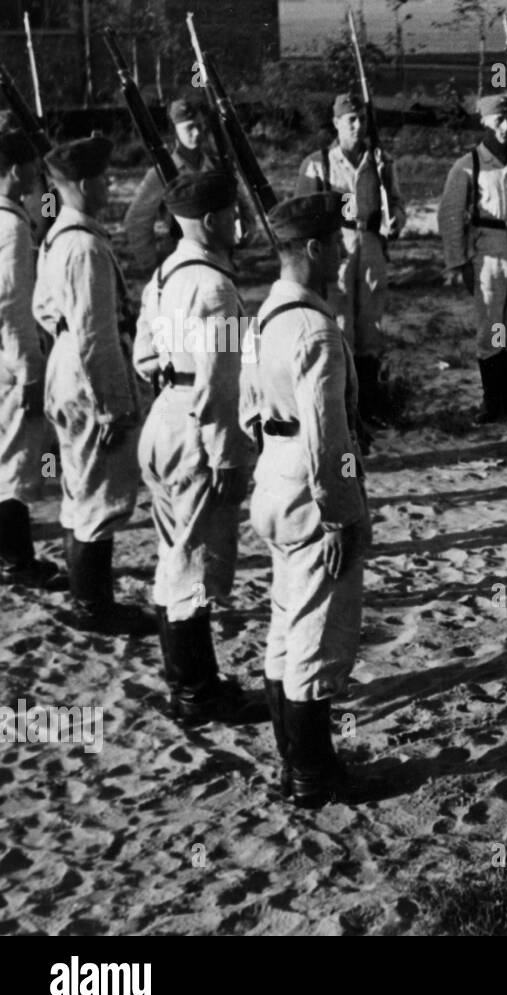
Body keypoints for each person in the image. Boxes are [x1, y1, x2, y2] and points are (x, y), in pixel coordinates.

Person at [240, 192, 371, 807]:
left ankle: (292, 761)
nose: (346, 251)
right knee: (314, 631)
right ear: (314, 249)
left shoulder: (267, 312)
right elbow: (330, 437)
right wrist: (342, 511)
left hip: (272, 472)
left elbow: (247, 407)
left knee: (285, 621)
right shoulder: (315, 327)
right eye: (338, 241)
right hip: (309, 487)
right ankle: (313, 775)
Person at [133, 171, 263, 725]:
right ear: (211, 222)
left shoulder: (164, 275)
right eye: (233, 214)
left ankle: (191, 681)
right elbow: (220, 385)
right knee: (190, 565)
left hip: (162, 415)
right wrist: (229, 455)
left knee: (173, 553)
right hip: (194, 426)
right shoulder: (215, 289)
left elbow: (143, 357)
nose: (239, 222)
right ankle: (196, 692)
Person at [34, 135, 152, 635]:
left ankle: (87, 600)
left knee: (79, 487)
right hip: (87, 378)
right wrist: (113, 407)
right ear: (84, 184)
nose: (109, 185)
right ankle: (92, 607)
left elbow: (45, 310)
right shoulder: (82, 245)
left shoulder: (60, 233)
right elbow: (96, 336)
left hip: (66, 366)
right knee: (98, 494)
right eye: (103, 178)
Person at [297, 93, 406, 431]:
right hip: (339, 246)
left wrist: (396, 220)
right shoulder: (318, 164)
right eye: (350, 120)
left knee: (371, 324)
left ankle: (370, 404)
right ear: (336, 123)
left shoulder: (381, 161)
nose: (357, 126)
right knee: (340, 322)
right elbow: (305, 215)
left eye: (361, 119)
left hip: (372, 242)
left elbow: (398, 203)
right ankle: (343, 409)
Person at [438, 92, 507, 423]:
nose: (505, 126)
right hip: (489, 248)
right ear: (483, 122)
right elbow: (450, 215)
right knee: (493, 325)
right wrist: (460, 262)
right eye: (498, 120)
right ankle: (493, 398)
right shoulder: (469, 165)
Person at [0, 128, 60, 588]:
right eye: (33, 168)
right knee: (16, 458)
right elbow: (13, 307)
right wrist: (31, 372)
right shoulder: (13, 226)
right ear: (18, 170)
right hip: (9, 356)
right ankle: (16, 559)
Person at [123, 97, 254, 273]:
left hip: (222, 259)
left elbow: (245, 207)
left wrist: (245, 235)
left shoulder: (219, 166)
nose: (197, 133)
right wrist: (151, 264)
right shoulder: (161, 173)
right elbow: (137, 220)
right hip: (182, 260)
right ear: (175, 131)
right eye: (189, 128)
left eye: (200, 126)